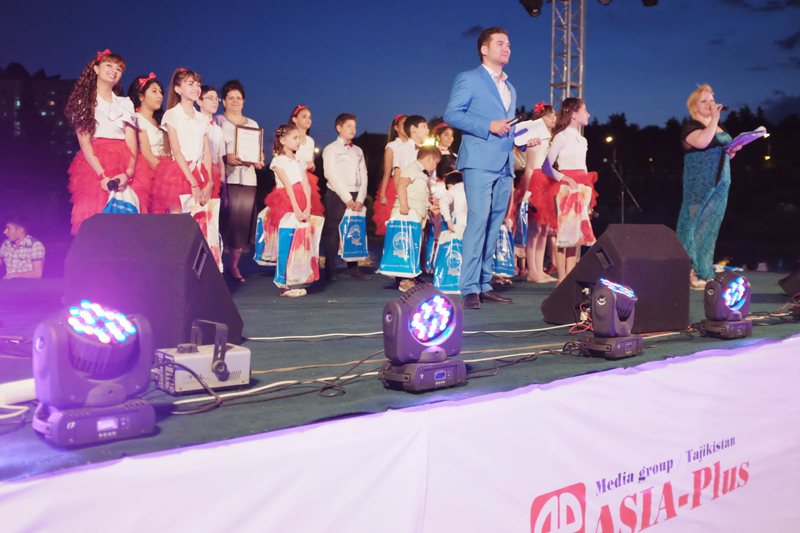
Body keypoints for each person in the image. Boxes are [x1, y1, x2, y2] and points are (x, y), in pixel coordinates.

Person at [444, 27, 517, 310]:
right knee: (477, 222)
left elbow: (507, 126)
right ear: (484, 50)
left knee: (494, 225)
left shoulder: (510, 87)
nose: (506, 48)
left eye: (508, 44)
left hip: (505, 163)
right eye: (500, 43)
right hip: (478, 161)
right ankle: (469, 288)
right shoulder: (468, 78)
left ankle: (485, 284)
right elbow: (452, 114)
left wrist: (523, 139)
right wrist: (488, 125)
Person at [64, 50, 153, 234]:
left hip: (126, 162)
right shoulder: (84, 102)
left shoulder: (125, 103)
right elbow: (85, 143)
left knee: (130, 223)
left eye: (119, 69)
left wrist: (128, 174)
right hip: (96, 164)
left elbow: (131, 141)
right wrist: (103, 177)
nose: (114, 70)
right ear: (96, 69)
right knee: (97, 222)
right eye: (109, 65)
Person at [677, 84, 742, 290]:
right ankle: (687, 271)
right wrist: (714, 118)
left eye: (712, 100)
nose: (710, 104)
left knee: (709, 227)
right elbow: (703, 143)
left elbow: (721, 151)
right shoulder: (691, 127)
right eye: (704, 101)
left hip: (720, 181)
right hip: (700, 183)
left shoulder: (719, 126)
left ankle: (704, 270)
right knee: (693, 224)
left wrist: (733, 150)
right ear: (694, 107)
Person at [265, 123, 325, 297]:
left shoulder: (299, 161)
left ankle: (297, 278)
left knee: (300, 242)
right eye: (295, 138)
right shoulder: (278, 161)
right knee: (287, 241)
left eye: (299, 137)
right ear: (283, 140)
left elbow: (306, 184)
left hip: (302, 201)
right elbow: (287, 185)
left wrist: (307, 206)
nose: (299, 141)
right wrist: (297, 208)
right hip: (286, 203)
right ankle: (283, 284)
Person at [541, 98, 596, 284]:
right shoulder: (561, 136)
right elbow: (546, 167)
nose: (588, 114)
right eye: (584, 110)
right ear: (573, 114)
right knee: (564, 234)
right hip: (565, 188)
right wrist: (566, 179)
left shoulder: (582, 140)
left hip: (580, 188)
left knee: (575, 235)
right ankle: (561, 279)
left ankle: (570, 278)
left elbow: (584, 168)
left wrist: (588, 191)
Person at [215, 80, 263, 282]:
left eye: (239, 98)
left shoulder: (252, 124)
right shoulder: (217, 120)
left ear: (244, 101)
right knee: (222, 223)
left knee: (241, 225)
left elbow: (259, 151)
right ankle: (216, 266)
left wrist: (260, 159)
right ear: (223, 101)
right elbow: (211, 148)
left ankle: (233, 267)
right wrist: (226, 157)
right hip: (225, 178)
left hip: (248, 180)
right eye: (230, 98)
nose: (235, 101)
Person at [152, 68, 218, 214]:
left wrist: (210, 182)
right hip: (180, 174)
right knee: (178, 220)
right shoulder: (172, 114)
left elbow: (207, 152)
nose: (196, 88)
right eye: (190, 84)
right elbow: (177, 151)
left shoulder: (203, 118)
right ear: (178, 89)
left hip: (202, 172)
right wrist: (193, 183)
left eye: (198, 85)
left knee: (201, 220)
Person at [321, 113, 370, 282]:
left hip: (356, 195)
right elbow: (330, 174)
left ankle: (353, 268)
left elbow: (364, 175)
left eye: (354, 126)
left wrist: (360, 198)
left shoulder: (358, 150)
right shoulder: (331, 149)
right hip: (337, 194)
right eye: (349, 126)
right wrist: (347, 198)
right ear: (338, 128)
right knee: (333, 231)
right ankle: (330, 270)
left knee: (354, 230)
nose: (353, 129)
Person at [391, 146, 442, 291]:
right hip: (407, 214)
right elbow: (401, 184)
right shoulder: (412, 168)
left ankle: (412, 275)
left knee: (414, 246)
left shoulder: (422, 173)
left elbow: (420, 195)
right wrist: (404, 205)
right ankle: (403, 280)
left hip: (417, 215)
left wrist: (430, 207)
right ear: (429, 158)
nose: (435, 167)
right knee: (405, 247)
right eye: (436, 163)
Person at [521, 102, 558, 283]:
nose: (553, 118)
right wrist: (525, 191)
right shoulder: (534, 137)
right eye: (548, 115)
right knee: (535, 229)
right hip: (536, 181)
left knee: (544, 229)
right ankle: (532, 271)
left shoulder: (552, 138)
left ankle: (539, 269)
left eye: (554, 115)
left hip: (548, 183)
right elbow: (530, 166)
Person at [373, 114, 407, 236]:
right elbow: (387, 172)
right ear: (396, 128)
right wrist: (383, 194)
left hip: (411, 184)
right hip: (395, 186)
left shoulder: (415, 145)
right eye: (404, 124)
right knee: (393, 223)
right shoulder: (392, 146)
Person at [128, 73, 167, 176]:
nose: (160, 96)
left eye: (160, 92)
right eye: (154, 91)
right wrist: (168, 173)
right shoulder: (137, 119)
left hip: (170, 164)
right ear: (141, 96)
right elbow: (146, 154)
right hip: (154, 170)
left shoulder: (162, 120)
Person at [197, 85, 227, 209]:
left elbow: (220, 160)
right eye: (210, 98)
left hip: (214, 177)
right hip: (197, 173)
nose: (215, 102)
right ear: (199, 101)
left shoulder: (218, 130)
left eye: (216, 99)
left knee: (210, 215)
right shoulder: (194, 124)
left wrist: (224, 188)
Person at [1, 215, 44, 279]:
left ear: (20, 230)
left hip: (27, 285)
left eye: (8, 228)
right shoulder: (6, 244)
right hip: (8, 284)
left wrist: (12, 275)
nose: (5, 232)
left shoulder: (35, 245)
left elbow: (37, 273)